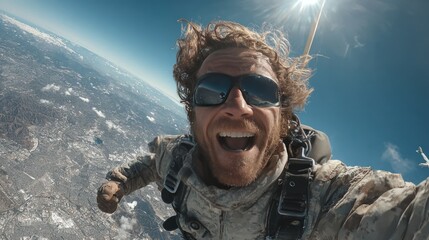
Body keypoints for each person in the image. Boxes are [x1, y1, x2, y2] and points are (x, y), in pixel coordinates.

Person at [96, 20, 429, 239]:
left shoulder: (324, 200)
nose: (237, 105)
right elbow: (153, 164)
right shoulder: (178, 158)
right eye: (212, 90)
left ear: (282, 115)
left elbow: (405, 218)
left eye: (260, 90)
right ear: (192, 114)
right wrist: (120, 181)